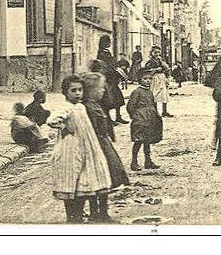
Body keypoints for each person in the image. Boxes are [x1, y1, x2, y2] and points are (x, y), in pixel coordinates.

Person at [45, 75, 112, 223]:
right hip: (71, 147)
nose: (77, 93)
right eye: (73, 90)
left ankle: (79, 215)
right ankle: (73, 217)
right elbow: (51, 120)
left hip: (87, 146)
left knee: (84, 180)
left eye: (80, 90)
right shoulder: (66, 107)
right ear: (65, 92)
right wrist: (64, 126)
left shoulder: (81, 106)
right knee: (70, 179)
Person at [80, 71, 130, 223]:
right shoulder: (87, 108)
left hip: (103, 144)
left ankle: (102, 212)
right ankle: (97, 213)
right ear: (91, 91)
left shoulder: (96, 105)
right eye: (100, 88)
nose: (103, 91)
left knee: (105, 179)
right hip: (96, 147)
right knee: (98, 179)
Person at [126, 69, 163, 171]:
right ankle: (134, 162)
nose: (148, 81)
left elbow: (153, 105)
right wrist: (135, 116)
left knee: (147, 141)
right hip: (140, 120)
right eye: (145, 78)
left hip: (150, 120)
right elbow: (130, 106)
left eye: (150, 78)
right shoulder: (137, 92)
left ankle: (148, 161)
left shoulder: (150, 92)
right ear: (139, 80)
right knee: (138, 141)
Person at [96, 35, 128, 125]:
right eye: (107, 42)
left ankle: (118, 116)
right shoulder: (101, 53)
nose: (109, 43)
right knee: (108, 100)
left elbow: (112, 64)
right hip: (107, 79)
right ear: (102, 43)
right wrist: (113, 72)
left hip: (112, 79)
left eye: (109, 41)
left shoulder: (107, 52)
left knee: (118, 98)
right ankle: (108, 119)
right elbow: (104, 66)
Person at [142, 46, 174, 117]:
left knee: (164, 94)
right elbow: (147, 70)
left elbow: (166, 68)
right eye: (155, 52)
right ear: (151, 53)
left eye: (158, 52)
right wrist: (155, 70)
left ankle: (164, 111)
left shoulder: (161, 61)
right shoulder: (150, 62)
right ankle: (155, 111)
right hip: (155, 78)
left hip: (162, 77)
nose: (157, 54)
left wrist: (166, 76)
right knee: (154, 94)